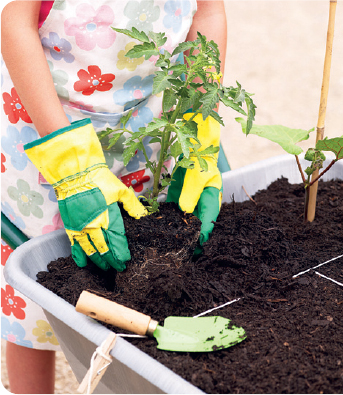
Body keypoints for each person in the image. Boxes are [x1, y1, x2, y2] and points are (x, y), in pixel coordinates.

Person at [1, 0, 227, 392]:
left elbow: (207, 12)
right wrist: (72, 168)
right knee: (36, 295)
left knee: (142, 266)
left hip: (148, 126)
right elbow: (15, 22)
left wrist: (200, 125)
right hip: (50, 128)